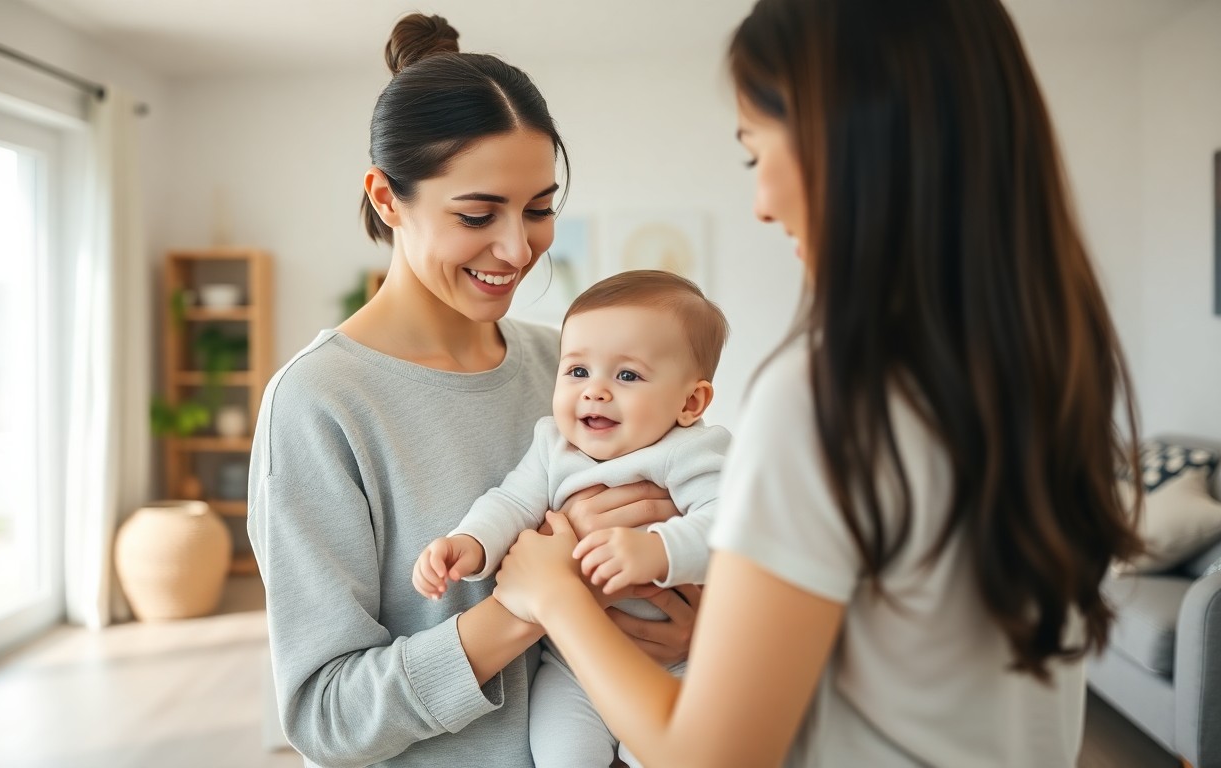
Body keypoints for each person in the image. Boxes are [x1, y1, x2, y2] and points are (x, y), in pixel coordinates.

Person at [492, 0, 1145, 766]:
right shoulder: (1045, 368)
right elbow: (910, 652)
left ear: (857, 143)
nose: (762, 202)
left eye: (757, 152)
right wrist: (721, 640)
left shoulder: (829, 396)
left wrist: (558, 599)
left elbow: (711, 757)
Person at [246, 13, 700, 768]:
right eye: (477, 214)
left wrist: (686, 631)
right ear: (388, 201)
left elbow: (685, 553)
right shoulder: (319, 404)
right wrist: (524, 605)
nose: (518, 249)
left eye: (540, 208)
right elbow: (325, 718)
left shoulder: (569, 367)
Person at [413, 270, 731, 768]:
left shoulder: (691, 452)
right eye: (577, 371)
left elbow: (729, 528)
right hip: (569, 666)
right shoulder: (553, 444)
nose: (595, 392)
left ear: (691, 402)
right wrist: (469, 542)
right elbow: (511, 503)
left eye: (627, 376)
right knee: (563, 756)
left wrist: (658, 550)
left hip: (678, 668)